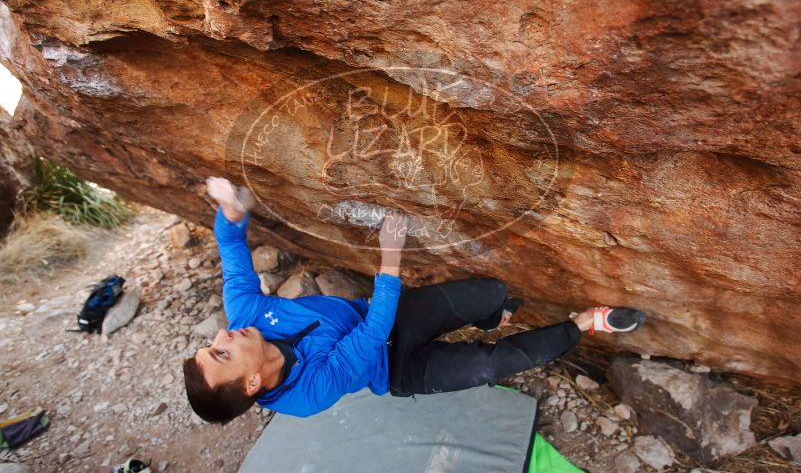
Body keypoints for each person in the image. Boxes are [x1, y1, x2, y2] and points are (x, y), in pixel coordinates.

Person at [183, 177, 646, 423]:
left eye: (211, 342)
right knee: (490, 367)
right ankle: (585, 323)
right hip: (396, 368)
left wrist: (231, 212)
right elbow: (370, 337)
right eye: (221, 351)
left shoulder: (245, 313)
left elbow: (232, 254)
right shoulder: (306, 397)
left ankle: (493, 316)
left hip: (388, 318)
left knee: (492, 292)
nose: (223, 333)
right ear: (251, 384)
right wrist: (390, 259)